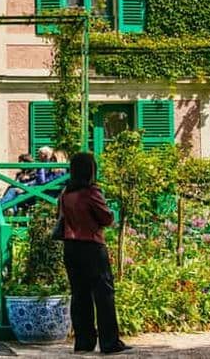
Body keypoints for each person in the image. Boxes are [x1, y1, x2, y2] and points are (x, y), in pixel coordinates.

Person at [58, 152, 131, 355]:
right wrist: (112, 214)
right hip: (91, 245)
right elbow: (106, 218)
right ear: (90, 170)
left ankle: (84, 341)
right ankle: (109, 342)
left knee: (79, 295)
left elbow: (61, 217)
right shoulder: (91, 193)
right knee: (104, 294)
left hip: (70, 247)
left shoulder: (65, 193)